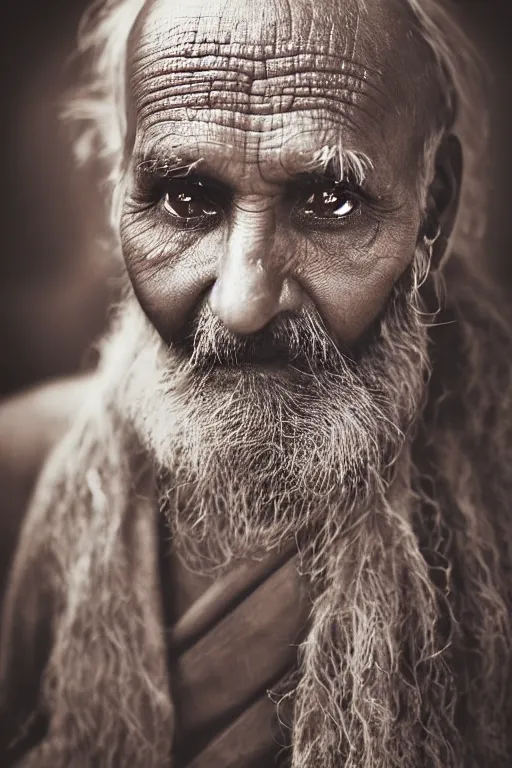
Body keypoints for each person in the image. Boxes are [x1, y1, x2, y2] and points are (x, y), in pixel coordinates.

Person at [1, 0, 512, 766]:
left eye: (330, 201)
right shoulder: (15, 476)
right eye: (187, 199)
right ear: (117, 191)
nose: (243, 304)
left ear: (431, 207)